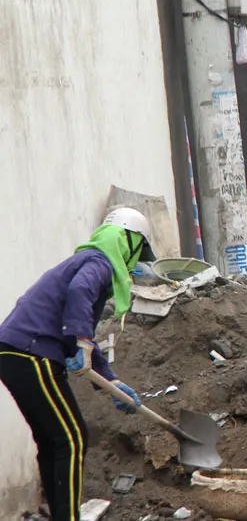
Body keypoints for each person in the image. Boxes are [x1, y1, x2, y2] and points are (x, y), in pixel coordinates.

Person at [0, 208, 154, 521]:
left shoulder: (84, 262)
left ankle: (61, 515)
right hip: (32, 351)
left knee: (54, 439)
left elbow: (80, 336)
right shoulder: (98, 262)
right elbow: (79, 297)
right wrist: (82, 341)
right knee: (72, 438)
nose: (135, 263)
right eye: (138, 251)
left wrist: (111, 381)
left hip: (17, 352)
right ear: (126, 241)